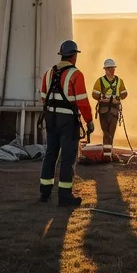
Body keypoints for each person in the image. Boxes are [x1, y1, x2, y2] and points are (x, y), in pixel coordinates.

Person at [39, 39, 94, 206]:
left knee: (50, 155)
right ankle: (64, 196)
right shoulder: (76, 75)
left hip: (51, 119)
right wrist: (89, 121)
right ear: (74, 56)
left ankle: (44, 193)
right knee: (68, 158)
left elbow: (43, 97)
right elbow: (82, 102)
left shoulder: (48, 74)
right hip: (68, 122)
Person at [91, 58, 129, 161]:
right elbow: (94, 94)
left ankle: (108, 154)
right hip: (103, 110)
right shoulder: (100, 81)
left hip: (114, 110)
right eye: (109, 68)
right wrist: (102, 97)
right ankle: (107, 154)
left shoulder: (119, 81)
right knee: (106, 132)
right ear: (105, 69)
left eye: (113, 68)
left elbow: (124, 93)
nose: (112, 70)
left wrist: (118, 98)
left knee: (111, 132)